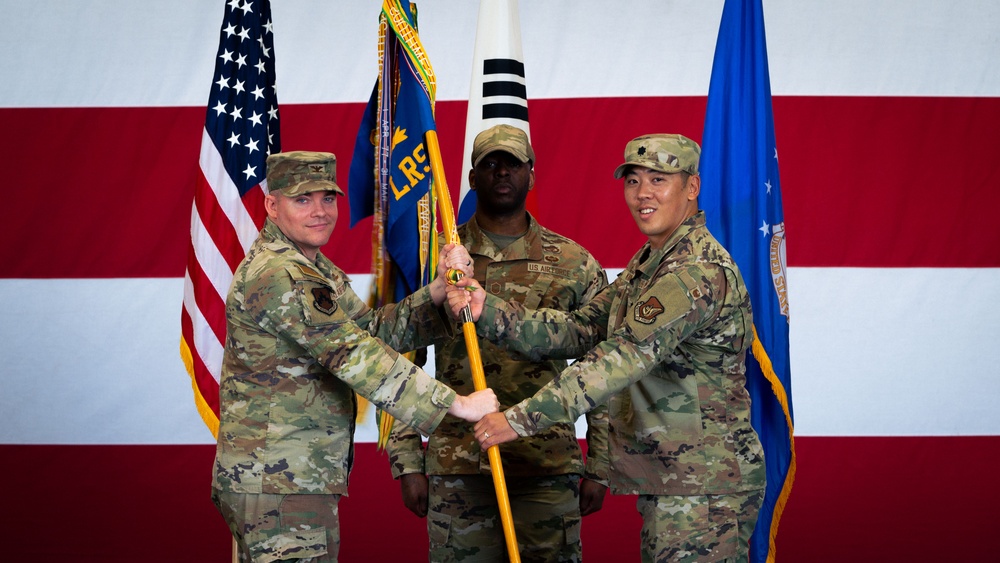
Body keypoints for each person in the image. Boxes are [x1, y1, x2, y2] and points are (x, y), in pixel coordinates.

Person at [448, 134, 766, 562]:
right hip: (676, 479)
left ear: (692, 187)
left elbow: (619, 359)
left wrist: (519, 420)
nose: (643, 194)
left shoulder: (694, 272)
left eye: (659, 179)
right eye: (633, 181)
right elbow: (581, 329)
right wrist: (487, 309)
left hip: (704, 486)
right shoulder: (650, 263)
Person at [211, 151, 498, 563]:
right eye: (302, 199)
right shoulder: (281, 274)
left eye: (327, 198)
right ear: (272, 206)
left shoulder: (313, 268)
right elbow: (353, 353)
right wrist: (457, 404)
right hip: (277, 479)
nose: (319, 211)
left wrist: (437, 291)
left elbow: (370, 332)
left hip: (291, 476)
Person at [385, 124, 611, 562]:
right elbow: (399, 360)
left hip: (545, 463)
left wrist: (599, 463)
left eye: (512, 163)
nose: (501, 172)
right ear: (472, 178)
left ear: (532, 174)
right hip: (458, 464)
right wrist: (407, 460)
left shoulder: (573, 262)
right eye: (489, 164)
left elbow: (600, 365)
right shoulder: (440, 258)